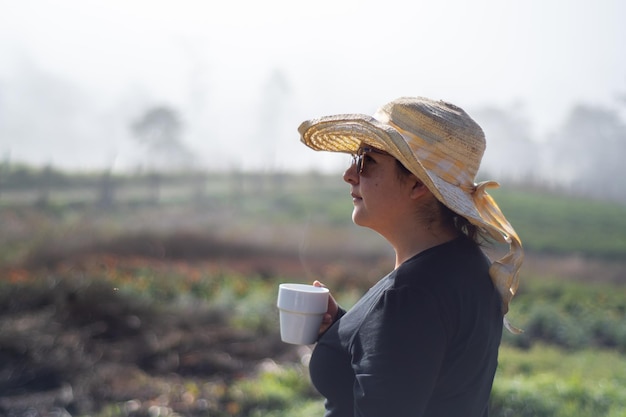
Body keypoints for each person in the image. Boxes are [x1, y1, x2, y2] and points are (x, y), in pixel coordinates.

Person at [297, 97, 524, 417]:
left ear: (418, 182)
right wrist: (346, 329)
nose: (350, 174)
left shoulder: (410, 296)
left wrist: (376, 324)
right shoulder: (468, 266)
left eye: (366, 160)